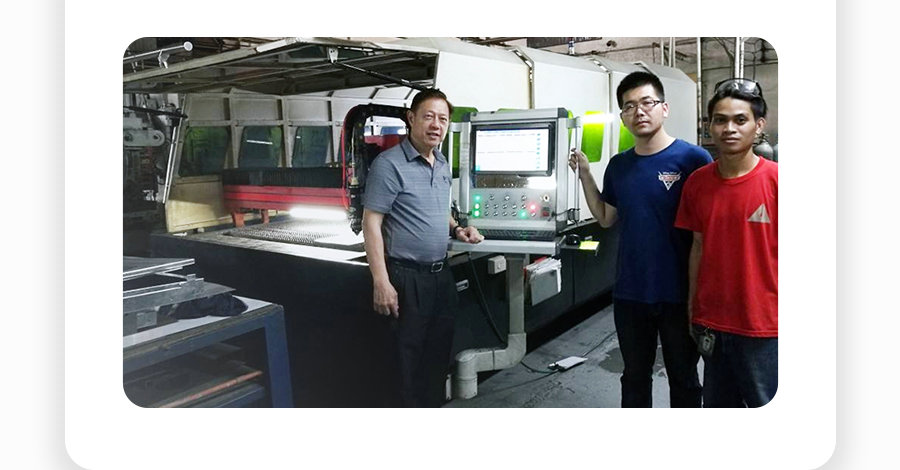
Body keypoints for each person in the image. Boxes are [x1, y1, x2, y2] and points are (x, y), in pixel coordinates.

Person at [569, 71, 711, 407]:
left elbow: (709, 231)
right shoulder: (619, 166)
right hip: (631, 293)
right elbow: (606, 217)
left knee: (684, 379)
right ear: (623, 117)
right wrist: (585, 174)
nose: (639, 111)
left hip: (679, 295)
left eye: (647, 102)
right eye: (629, 106)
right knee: (634, 378)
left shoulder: (693, 160)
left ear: (665, 108)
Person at [362, 88, 484, 407]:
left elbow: (439, 209)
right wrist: (381, 281)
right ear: (411, 118)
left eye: (442, 119)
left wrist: (457, 228)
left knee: (437, 360)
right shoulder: (389, 165)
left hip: (441, 277)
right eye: (428, 116)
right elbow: (371, 222)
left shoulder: (441, 162)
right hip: (406, 279)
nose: (436, 125)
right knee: (405, 365)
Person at [675, 78, 777, 407]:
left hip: (765, 327)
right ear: (710, 126)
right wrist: (693, 306)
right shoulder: (697, 183)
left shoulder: (777, 181)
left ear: (759, 125)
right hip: (713, 325)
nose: (729, 128)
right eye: (720, 120)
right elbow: (698, 247)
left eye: (740, 120)